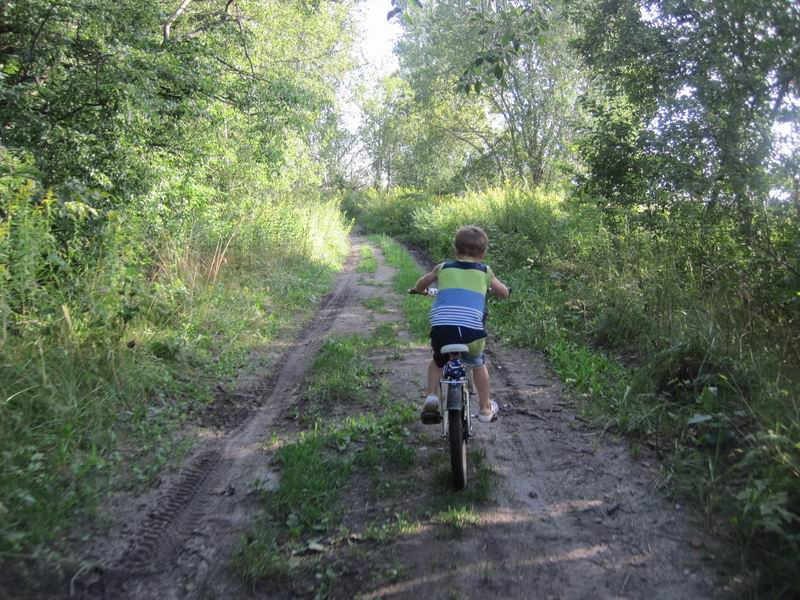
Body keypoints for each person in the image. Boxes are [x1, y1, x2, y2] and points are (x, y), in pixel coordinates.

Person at [413, 225, 510, 423]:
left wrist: (421, 290)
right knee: (477, 364)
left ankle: (431, 396)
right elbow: (503, 292)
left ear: (455, 250)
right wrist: (505, 290)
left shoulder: (443, 267)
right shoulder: (486, 272)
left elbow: (421, 283)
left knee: (438, 361)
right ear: (482, 254)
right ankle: (484, 408)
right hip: (471, 333)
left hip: (442, 329)